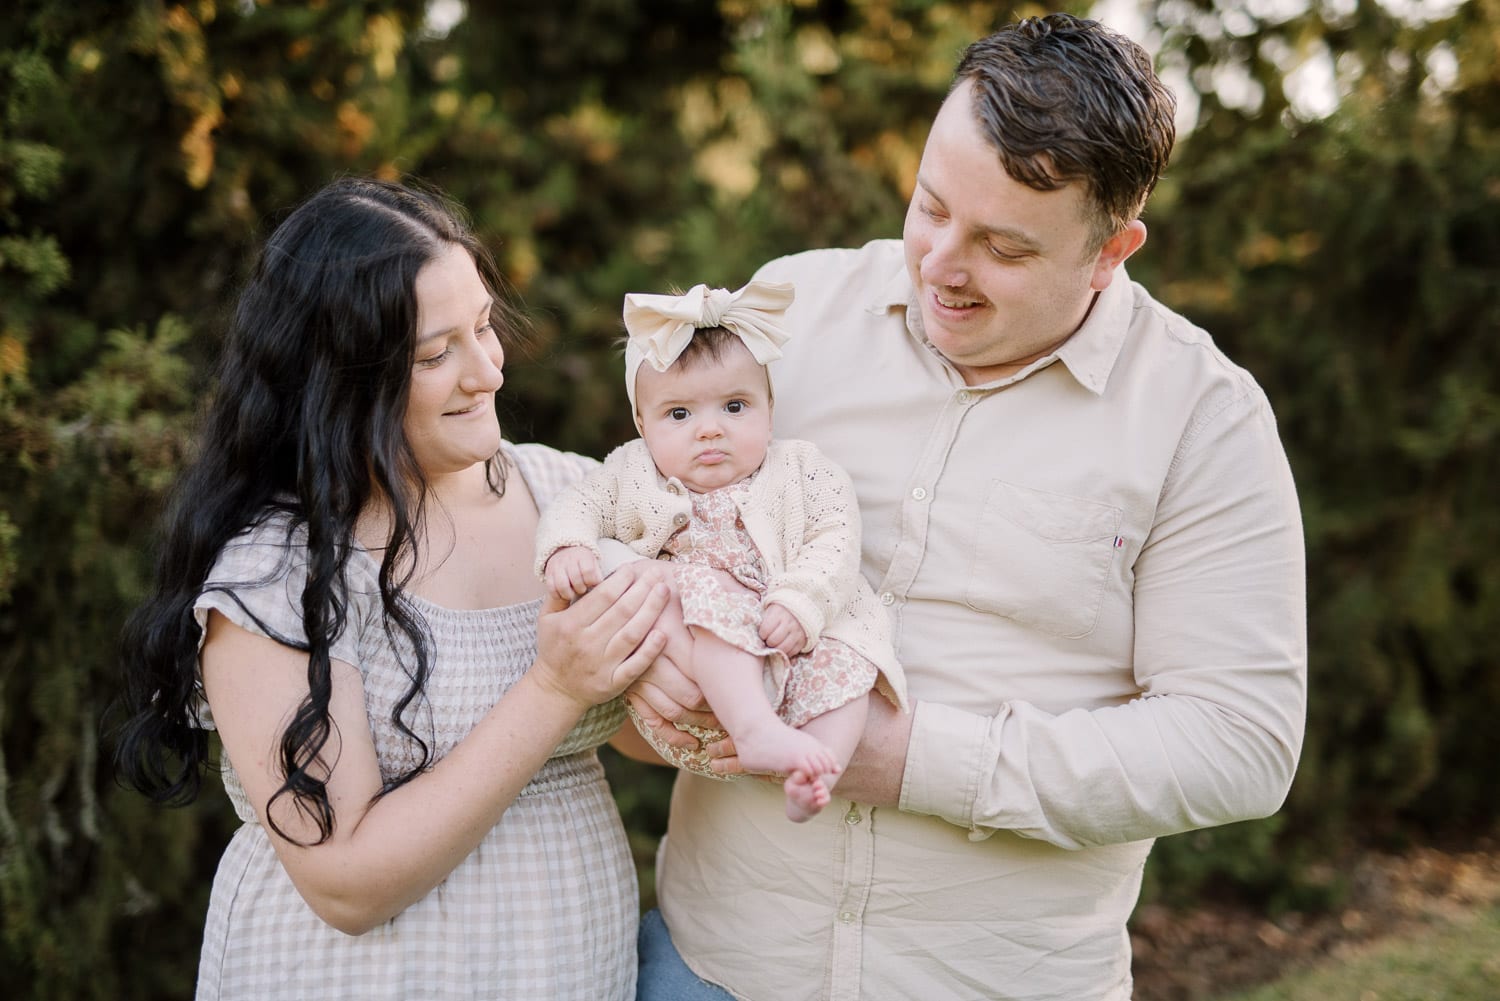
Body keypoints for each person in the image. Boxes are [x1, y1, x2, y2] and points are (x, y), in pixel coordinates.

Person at [630, 13, 1307, 1001]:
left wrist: (911, 760)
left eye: (1001, 245)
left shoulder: (1202, 419)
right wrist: (649, 652)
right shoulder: (788, 314)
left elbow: (1238, 742)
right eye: (929, 205)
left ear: (1112, 247)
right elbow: (651, 507)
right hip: (711, 965)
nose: (942, 261)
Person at [113, 177, 674, 1000]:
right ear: (338, 381)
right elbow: (346, 880)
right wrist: (554, 687)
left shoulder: (570, 500)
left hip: (564, 961)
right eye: (436, 353)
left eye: (484, 326)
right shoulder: (282, 570)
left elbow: (642, 736)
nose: (487, 371)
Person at [535, 281, 906, 822]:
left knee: (852, 657)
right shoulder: (629, 472)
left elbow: (836, 538)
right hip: (698, 669)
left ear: (770, 411)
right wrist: (568, 546)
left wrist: (800, 601)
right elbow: (574, 504)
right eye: (679, 415)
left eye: (735, 406)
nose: (710, 430)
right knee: (701, 592)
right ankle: (755, 728)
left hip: (797, 620)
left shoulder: (804, 471)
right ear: (642, 425)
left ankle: (817, 770)